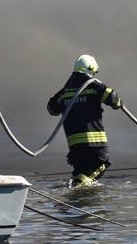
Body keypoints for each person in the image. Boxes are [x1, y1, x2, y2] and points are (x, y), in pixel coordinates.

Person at [46, 54, 124, 187]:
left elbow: (51, 109)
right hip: (94, 142)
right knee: (101, 164)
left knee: (82, 170)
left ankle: (76, 191)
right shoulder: (94, 87)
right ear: (91, 69)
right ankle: (77, 186)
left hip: (74, 144)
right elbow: (113, 100)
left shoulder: (65, 92)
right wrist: (118, 101)